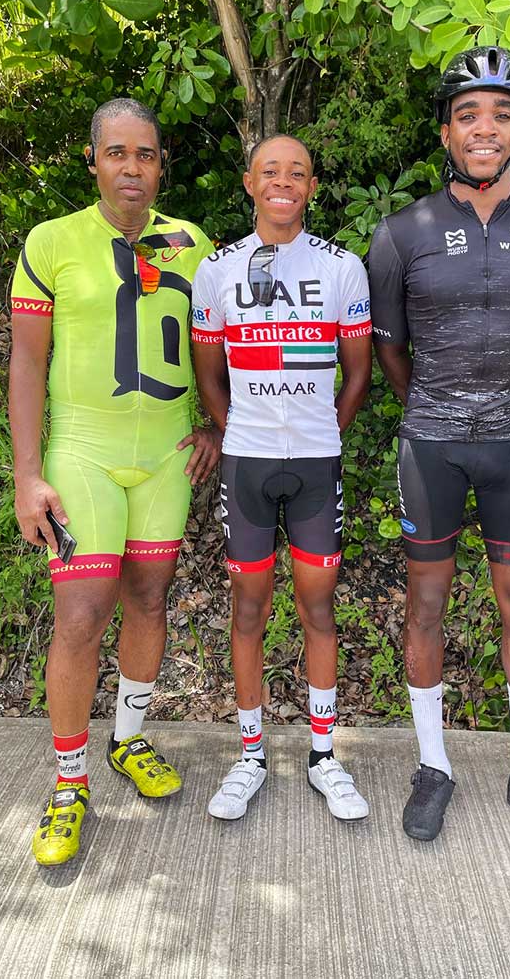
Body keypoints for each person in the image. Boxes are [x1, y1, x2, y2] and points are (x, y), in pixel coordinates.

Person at [368, 47, 510, 850]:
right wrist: (436, 411)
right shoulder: (401, 232)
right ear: (445, 131)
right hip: (430, 442)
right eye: (468, 113)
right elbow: (390, 351)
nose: (485, 127)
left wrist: (509, 410)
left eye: (502, 114)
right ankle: (433, 766)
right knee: (426, 603)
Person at [9, 98, 220, 866]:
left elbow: (216, 348)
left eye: (146, 154)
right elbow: (27, 360)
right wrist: (28, 474)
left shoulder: (193, 244)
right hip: (84, 455)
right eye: (117, 153)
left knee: (149, 598)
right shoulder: (52, 240)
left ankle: (127, 738)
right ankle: (69, 782)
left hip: (166, 456)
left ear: (161, 164)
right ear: (93, 159)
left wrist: (217, 423)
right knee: (81, 613)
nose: (133, 167)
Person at [191, 135, 372, 821]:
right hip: (247, 463)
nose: (283, 182)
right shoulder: (217, 270)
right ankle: (250, 756)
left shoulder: (342, 267)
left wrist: (325, 432)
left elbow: (358, 372)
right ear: (249, 182)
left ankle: (324, 756)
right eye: (271, 171)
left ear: (312, 186)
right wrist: (241, 431)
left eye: (297, 173)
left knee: (318, 609)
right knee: (249, 610)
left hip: (317, 464)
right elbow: (210, 376)